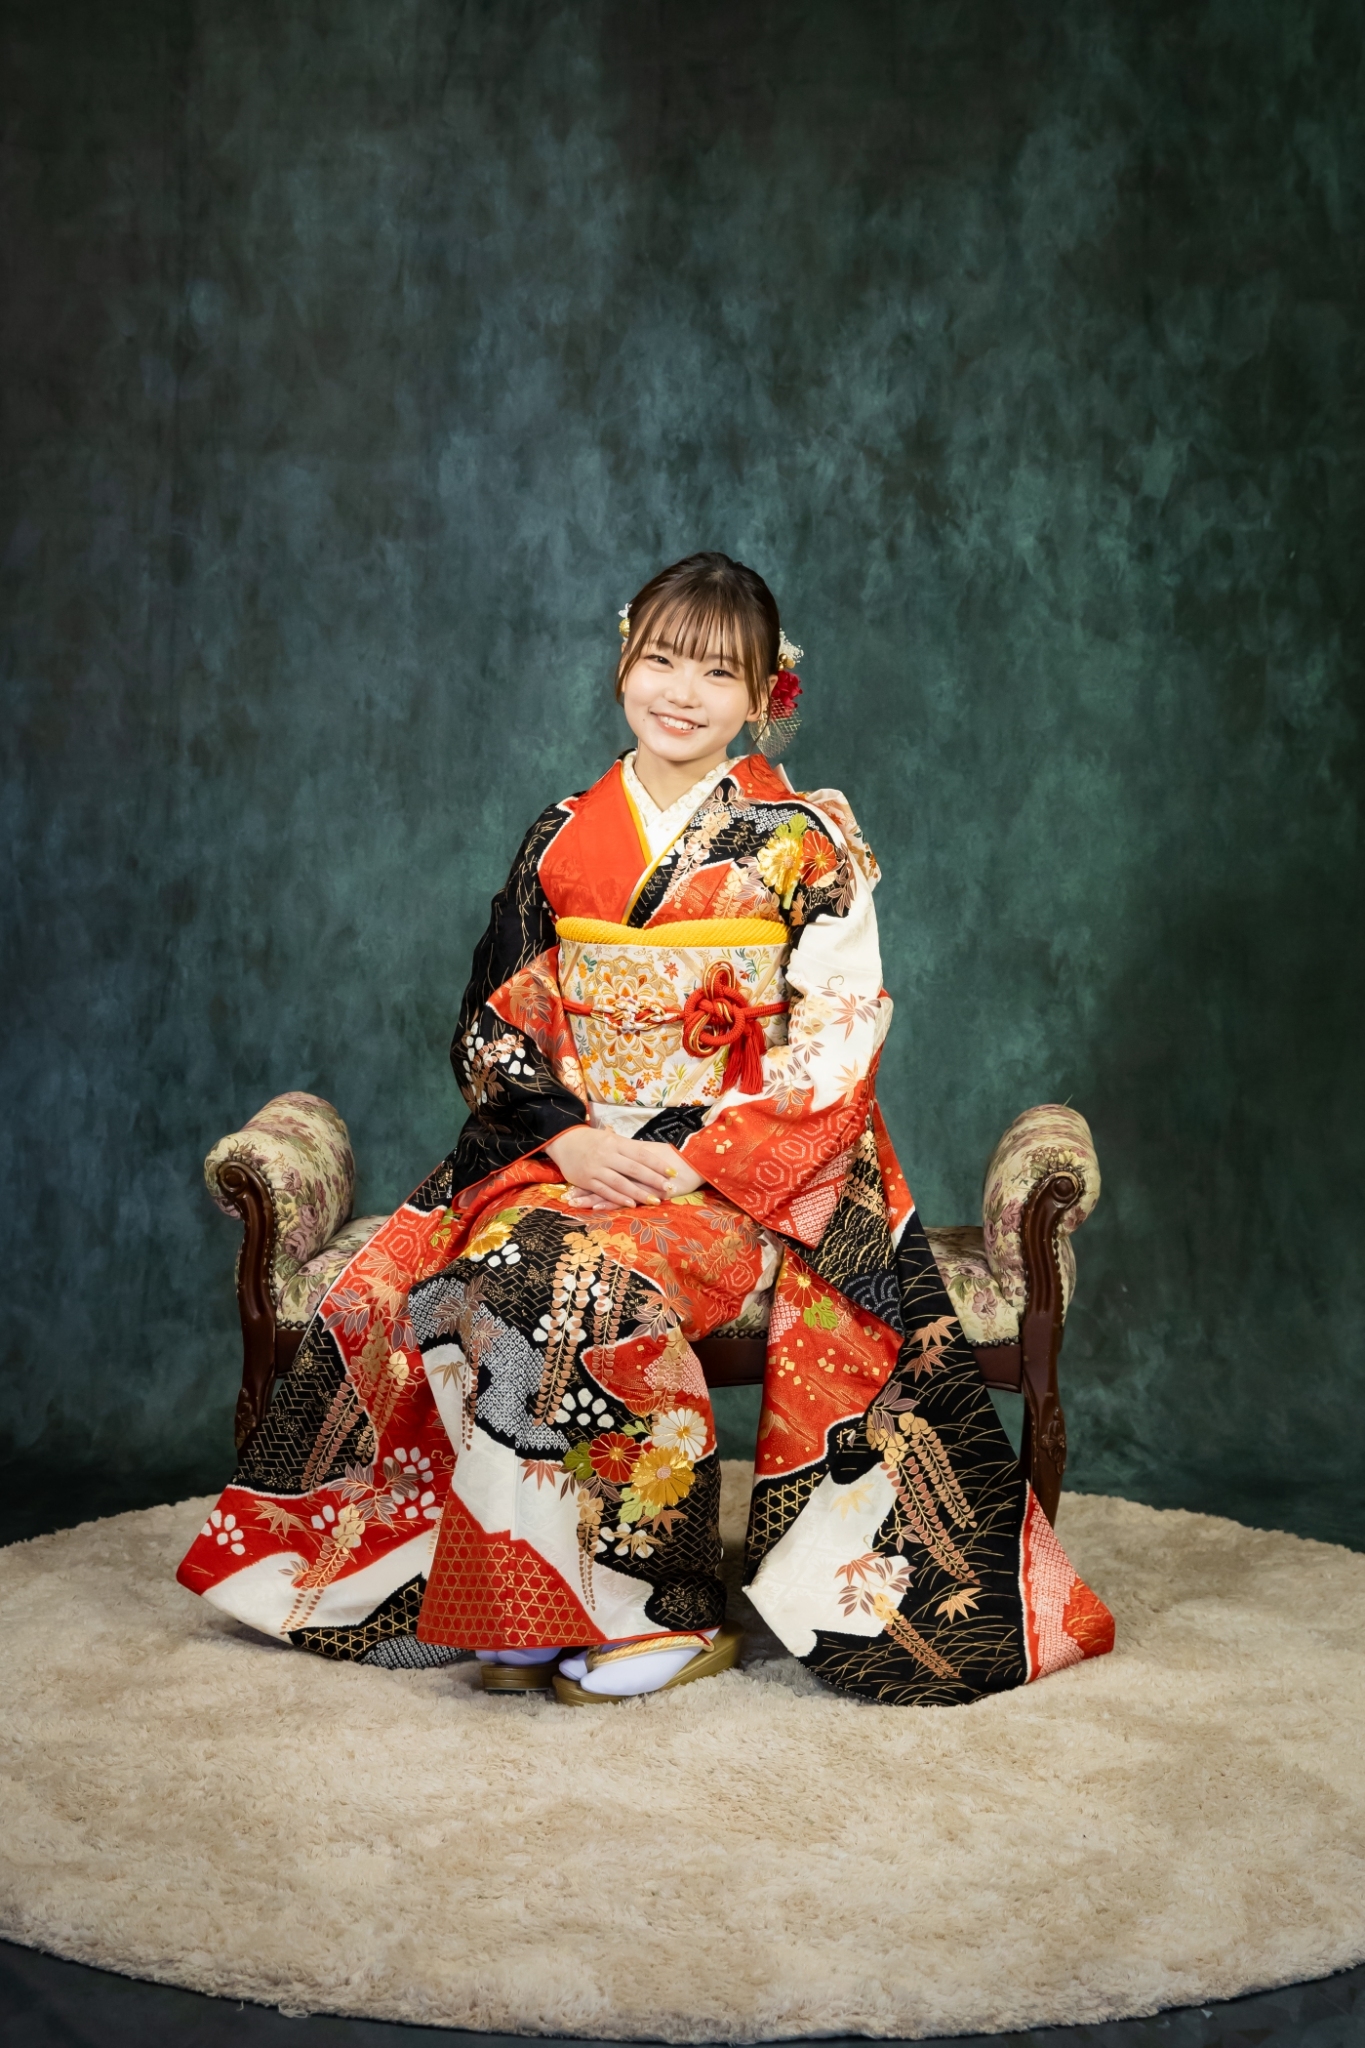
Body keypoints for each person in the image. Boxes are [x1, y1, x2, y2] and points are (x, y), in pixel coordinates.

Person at [178, 552, 1113, 1705]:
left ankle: (664, 1605)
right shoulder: (562, 834)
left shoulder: (805, 841)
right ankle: (528, 1596)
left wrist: (700, 1157)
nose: (682, 690)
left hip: (740, 1177)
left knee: (571, 1274)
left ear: (766, 691)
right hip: (575, 1152)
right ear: (624, 661)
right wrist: (566, 1139)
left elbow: (840, 1031)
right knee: (489, 1266)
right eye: (662, 658)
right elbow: (492, 1021)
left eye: (718, 671)